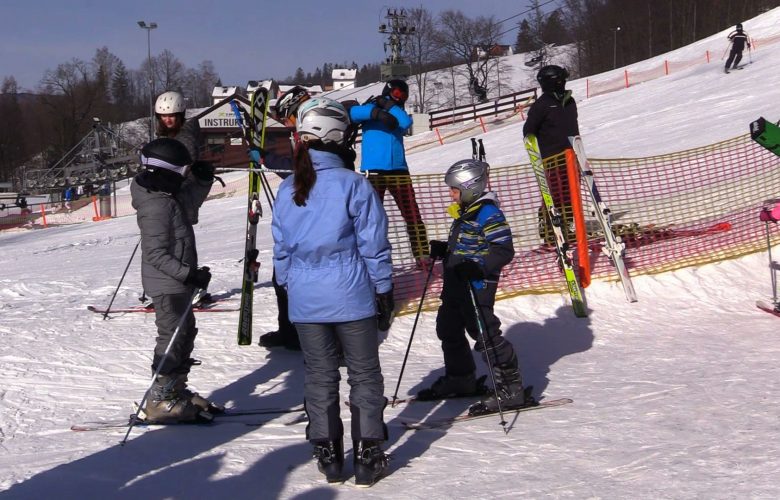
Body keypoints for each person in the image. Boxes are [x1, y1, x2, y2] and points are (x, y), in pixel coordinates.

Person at [271, 97, 393, 486]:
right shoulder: (354, 185)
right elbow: (374, 244)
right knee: (364, 374)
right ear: (337, 136)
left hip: (306, 301)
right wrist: (384, 289)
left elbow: (281, 249)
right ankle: (369, 451)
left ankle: (326, 449)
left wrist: (292, 285)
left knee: (320, 375)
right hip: (351, 296)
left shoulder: (290, 187)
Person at [421, 159, 532, 415]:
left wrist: (479, 266)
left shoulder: (488, 212)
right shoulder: (466, 210)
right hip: (455, 281)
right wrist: (444, 249)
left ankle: (510, 389)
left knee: (484, 333)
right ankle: (461, 378)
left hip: (476, 283)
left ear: (470, 187)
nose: (451, 194)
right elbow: (468, 243)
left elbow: (503, 249)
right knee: (447, 327)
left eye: (454, 190)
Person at [130, 137, 219, 423]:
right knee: (171, 339)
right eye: (181, 173)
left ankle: (175, 389)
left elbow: (189, 204)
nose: (184, 179)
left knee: (185, 335)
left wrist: (203, 180)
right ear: (163, 173)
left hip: (178, 283)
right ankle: (159, 399)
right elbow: (155, 254)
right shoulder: (156, 206)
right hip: (167, 285)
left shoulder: (166, 195)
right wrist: (188, 274)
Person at [350, 79, 429, 266]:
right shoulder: (369, 108)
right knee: (372, 218)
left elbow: (405, 122)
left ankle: (423, 257)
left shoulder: (398, 112)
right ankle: (370, 259)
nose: (399, 97)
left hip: (398, 170)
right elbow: (352, 113)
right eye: (396, 93)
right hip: (374, 171)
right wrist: (376, 112)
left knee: (412, 215)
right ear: (388, 90)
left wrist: (389, 106)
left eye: (403, 95)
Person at [523, 65, 580, 246]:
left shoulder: (570, 102)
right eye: (560, 80)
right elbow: (529, 130)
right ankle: (550, 227)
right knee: (557, 194)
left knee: (571, 194)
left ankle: (567, 225)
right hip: (553, 159)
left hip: (571, 156)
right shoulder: (541, 105)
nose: (563, 83)